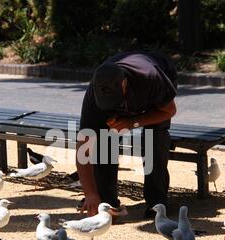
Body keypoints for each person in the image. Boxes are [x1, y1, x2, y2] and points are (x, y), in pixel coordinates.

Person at [76, 51, 178, 217]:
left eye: (114, 101)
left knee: (155, 138)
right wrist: (90, 194)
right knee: (104, 138)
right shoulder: (94, 94)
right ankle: (106, 200)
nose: (111, 106)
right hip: (131, 88)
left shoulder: (151, 78)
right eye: (106, 102)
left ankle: (157, 202)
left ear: (124, 84)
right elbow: (84, 147)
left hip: (158, 83)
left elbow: (169, 111)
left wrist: (132, 122)